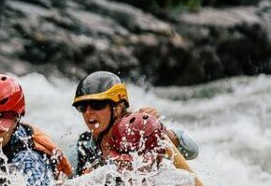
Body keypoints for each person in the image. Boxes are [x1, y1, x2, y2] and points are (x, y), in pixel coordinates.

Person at [69, 71, 198, 176]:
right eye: (82, 107)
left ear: (118, 108)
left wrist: (158, 129)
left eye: (97, 105)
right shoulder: (81, 147)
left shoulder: (141, 132)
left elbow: (192, 151)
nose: (88, 112)